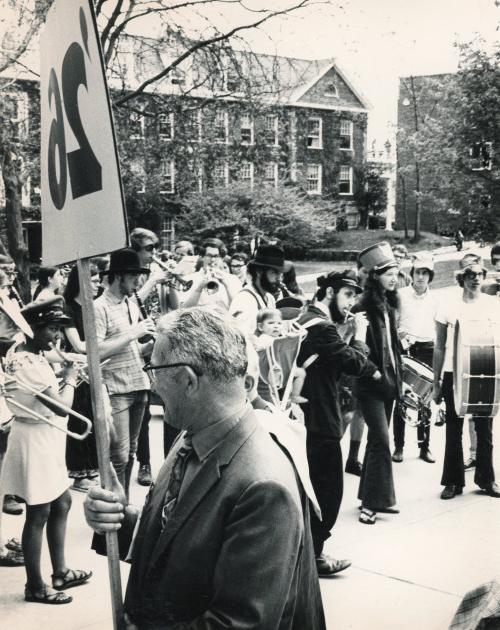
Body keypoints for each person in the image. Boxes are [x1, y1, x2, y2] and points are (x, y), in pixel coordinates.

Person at [84, 308, 326, 629]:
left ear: (188, 380)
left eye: (153, 369)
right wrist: (116, 519)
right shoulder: (193, 434)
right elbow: (177, 536)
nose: (152, 384)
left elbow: (237, 623)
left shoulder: (264, 487)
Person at [0, 297, 91, 603]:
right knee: (39, 512)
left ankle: (60, 571)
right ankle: (35, 584)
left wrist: (63, 364)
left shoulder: (29, 354)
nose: (56, 336)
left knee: (62, 501)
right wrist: (70, 380)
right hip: (34, 440)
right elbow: (64, 409)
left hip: (44, 437)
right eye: (52, 329)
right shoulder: (28, 362)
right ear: (33, 330)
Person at [297, 271, 380, 573]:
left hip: (310, 413)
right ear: (330, 293)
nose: (350, 304)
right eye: (347, 295)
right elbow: (353, 363)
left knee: (314, 487)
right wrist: (359, 336)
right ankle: (315, 554)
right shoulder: (320, 327)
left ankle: (308, 550)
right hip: (319, 418)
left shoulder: (307, 316)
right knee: (328, 489)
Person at [433, 254, 500, 499]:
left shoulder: (493, 304)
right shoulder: (448, 305)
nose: (475, 279)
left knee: (485, 429)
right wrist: (436, 382)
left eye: (479, 275)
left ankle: (487, 479)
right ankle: (452, 482)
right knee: (453, 428)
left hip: (485, 372)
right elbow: (439, 346)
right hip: (454, 373)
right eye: (470, 275)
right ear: (461, 278)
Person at [94, 249, 155, 497]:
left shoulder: (131, 304)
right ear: (118, 276)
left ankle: (125, 501)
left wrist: (151, 344)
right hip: (117, 387)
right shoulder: (99, 307)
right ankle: (114, 505)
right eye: (133, 277)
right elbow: (95, 352)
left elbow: (132, 350)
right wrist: (133, 332)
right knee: (118, 455)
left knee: (130, 451)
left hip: (139, 382)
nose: (138, 282)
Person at [353, 242, 403, 525]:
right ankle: (371, 504)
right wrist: (374, 373)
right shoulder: (363, 306)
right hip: (370, 385)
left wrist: (399, 379)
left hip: (390, 384)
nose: (394, 278)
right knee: (382, 443)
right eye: (387, 273)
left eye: (396, 273)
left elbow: (393, 348)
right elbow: (356, 347)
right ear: (374, 277)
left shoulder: (390, 303)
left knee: (377, 442)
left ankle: (371, 496)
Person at [129, 228, 172, 487]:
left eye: (155, 248)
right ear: (135, 250)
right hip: (136, 345)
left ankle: (170, 462)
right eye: (148, 249)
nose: (153, 254)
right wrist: (153, 281)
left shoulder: (152, 274)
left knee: (170, 404)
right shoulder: (129, 275)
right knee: (143, 409)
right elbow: (130, 305)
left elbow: (174, 306)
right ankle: (144, 462)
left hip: (159, 342)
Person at [392, 256, 438, 464]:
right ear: (412, 274)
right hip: (405, 349)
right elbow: (392, 324)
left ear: (430, 276)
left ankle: (424, 447)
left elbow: (439, 328)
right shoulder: (400, 295)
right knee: (401, 398)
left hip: (427, 349)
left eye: (425, 273)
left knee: (424, 401)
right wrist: (399, 335)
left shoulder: (436, 299)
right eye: (418, 272)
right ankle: (399, 446)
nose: (421, 277)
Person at [62, 266, 101, 492]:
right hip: (76, 369)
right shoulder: (69, 308)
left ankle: (90, 469)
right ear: (80, 281)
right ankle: (78, 474)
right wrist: (103, 347)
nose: (97, 285)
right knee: (79, 418)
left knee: (93, 418)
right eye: (93, 281)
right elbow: (77, 344)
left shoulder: (92, 307)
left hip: (92, 367)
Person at [255, 307, 307, 404]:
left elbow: (301, 333)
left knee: (301, 373)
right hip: (269, 370)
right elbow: (260, 345)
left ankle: (294, 395)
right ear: (260, 327)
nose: (276, 326)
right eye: (271, 323)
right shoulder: (264, 338)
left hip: (282, 369)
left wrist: (289, 336)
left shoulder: (278, 337)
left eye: (279, 323)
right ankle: (285, 397)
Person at [230, 244, 284, 336]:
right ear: (259, 272)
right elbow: (239, 340)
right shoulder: (244, 300)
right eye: (274, 272)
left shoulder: (269, 298)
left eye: (280, 274)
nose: (279, 279)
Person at [179, 238, 241, 311]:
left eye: (216, 256)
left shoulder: (233, 279)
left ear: (222, 258)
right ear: (202, 257)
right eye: (209, 255)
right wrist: (199, 288)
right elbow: (183, 310)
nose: (213, 260)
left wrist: (226, 285)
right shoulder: (189, 279)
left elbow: (239, 308)